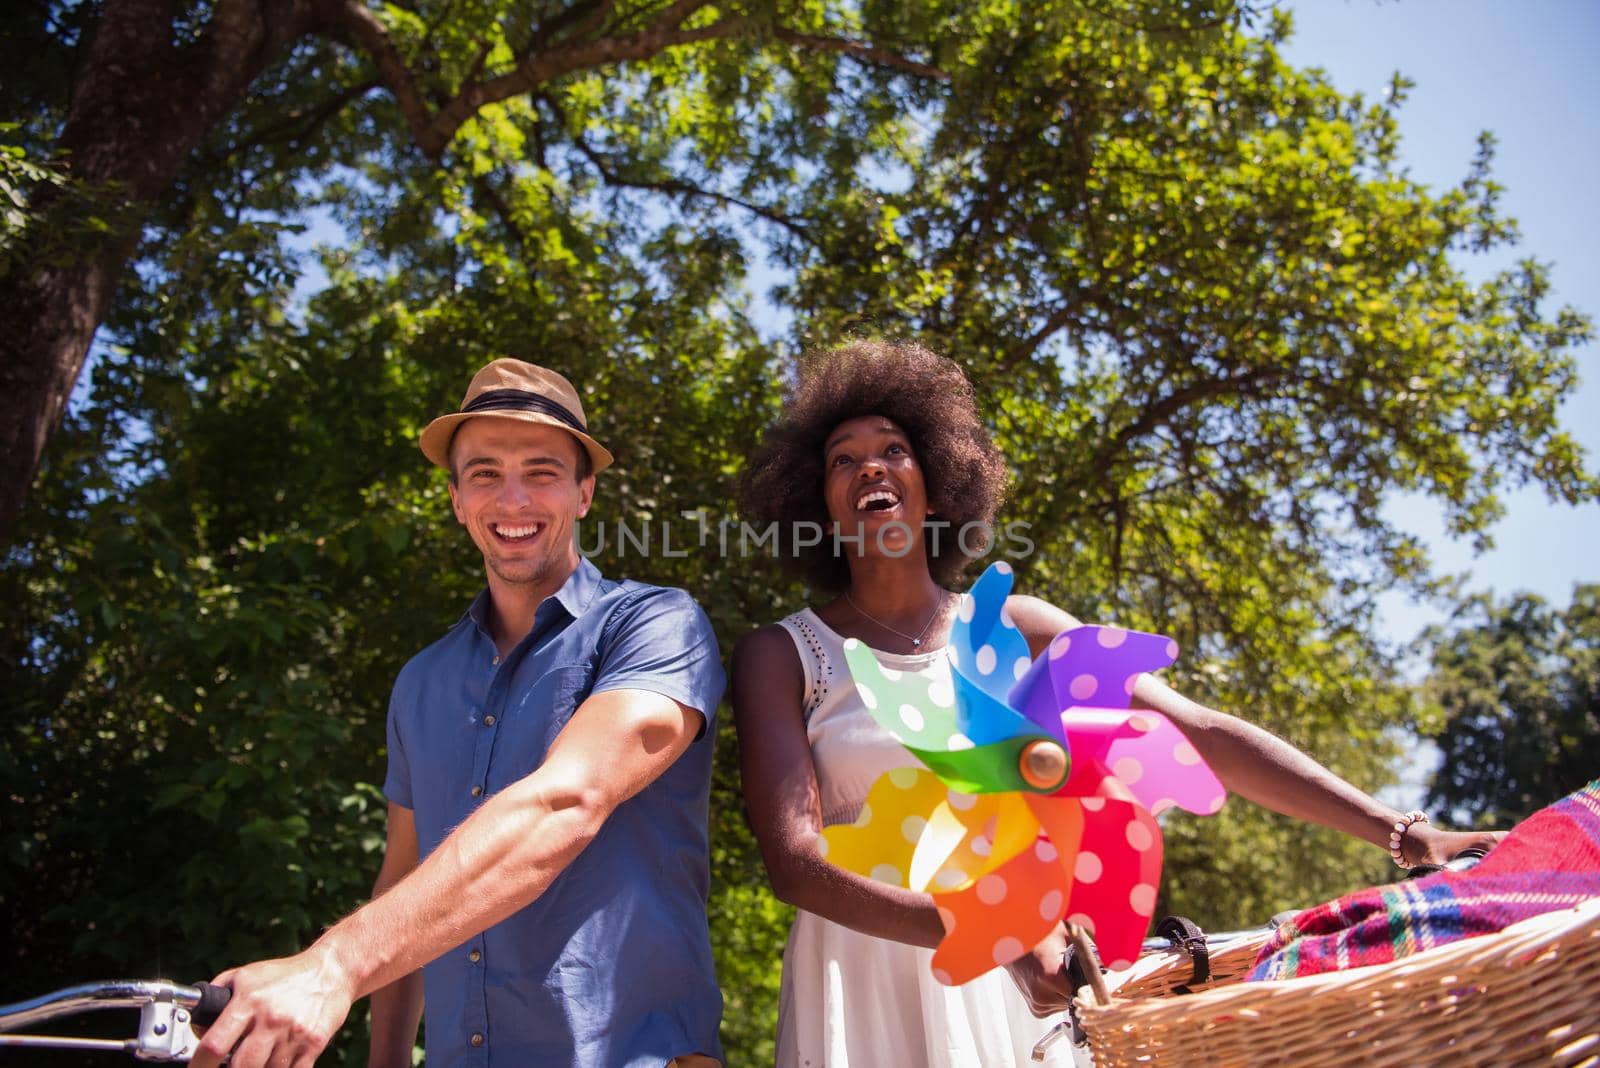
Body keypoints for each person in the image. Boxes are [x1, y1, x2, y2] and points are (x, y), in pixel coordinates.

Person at [730, 339, 1502, 1068]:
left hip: (1021, 978)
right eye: (844, 461)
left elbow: (1195, 733)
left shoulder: (1020, 629)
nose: (871, 468)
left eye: (893, 450)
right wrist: (993, 930)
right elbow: (797, 865)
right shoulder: (782, 654)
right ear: (824, 510)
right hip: (863, 976)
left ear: (937, 489)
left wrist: (1404, 833)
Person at [193, 359, 726, 1068]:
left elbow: (566, 802)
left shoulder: (656, 625)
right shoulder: (421, 682)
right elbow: (401, 881)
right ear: (455, 499)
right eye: (483, 474)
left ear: (584, 493)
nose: (512, 499)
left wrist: (333, 967)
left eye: (541, 472)